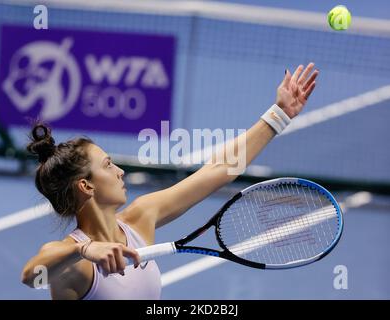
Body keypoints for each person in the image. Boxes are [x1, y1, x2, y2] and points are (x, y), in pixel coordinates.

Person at [21, 63, 318, 299]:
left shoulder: (140, 218)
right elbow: (32, 275)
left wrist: (279, 115)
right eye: (108, 165)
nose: (120, 172)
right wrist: (83, 250)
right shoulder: (76, 265)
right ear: (86, 186)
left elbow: (217, 170)